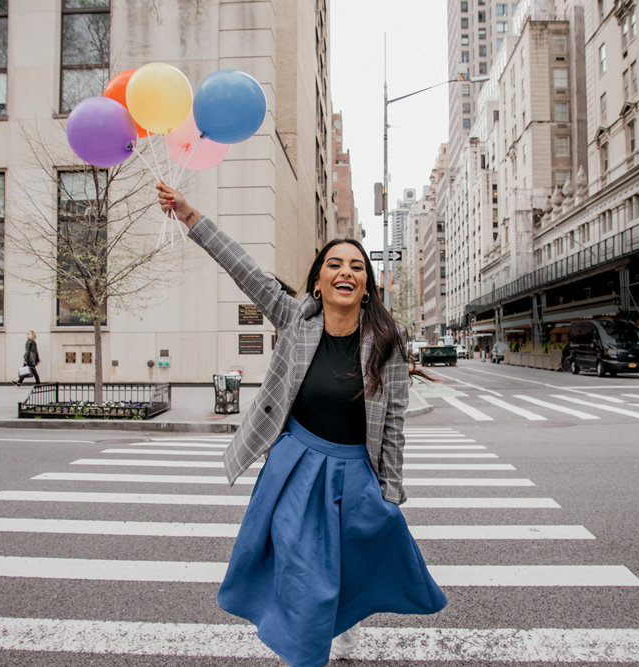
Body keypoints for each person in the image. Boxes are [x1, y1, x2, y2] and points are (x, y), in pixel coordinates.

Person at [157, 184, 446, 667]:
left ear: (367, 287)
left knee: (346, 567)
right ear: (317, 282)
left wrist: (390, 492)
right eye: (334, 264)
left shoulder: (387, 343)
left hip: (356, 474)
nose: (346, 272)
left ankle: (340, 627)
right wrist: (189, 214)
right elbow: (244, 270)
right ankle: (306, 649)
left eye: (357, 266)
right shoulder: (295, 319)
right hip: (296, 466)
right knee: (302, 568)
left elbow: (393, 423)